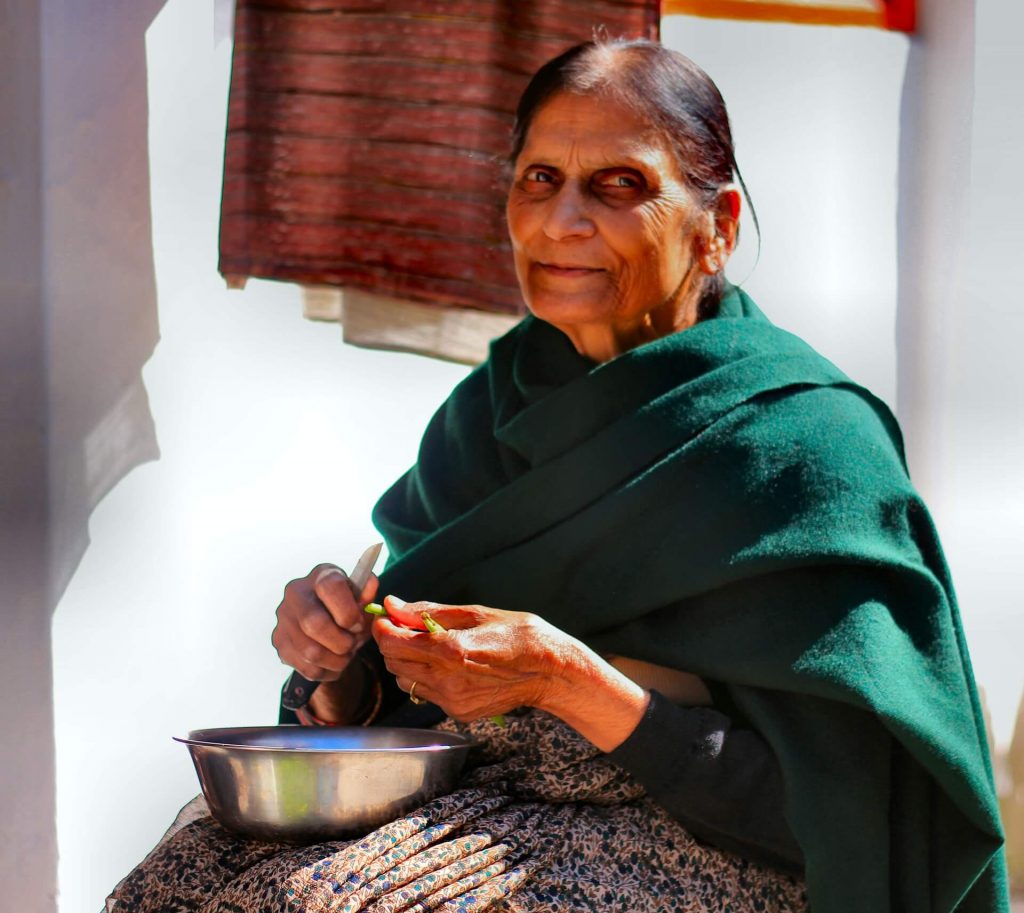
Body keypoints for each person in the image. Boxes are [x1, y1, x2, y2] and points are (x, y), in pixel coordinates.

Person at [107, 39, 1007, 913]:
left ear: (717, 227)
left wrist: (563, 679)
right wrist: (338, 663)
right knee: (175, 883)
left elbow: (851, 816)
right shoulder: (492, 409)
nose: (561, 221)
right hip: (473, 807)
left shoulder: (803, 442)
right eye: (540, 179)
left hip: (707, 839)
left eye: (619, 185)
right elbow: (403, 708)